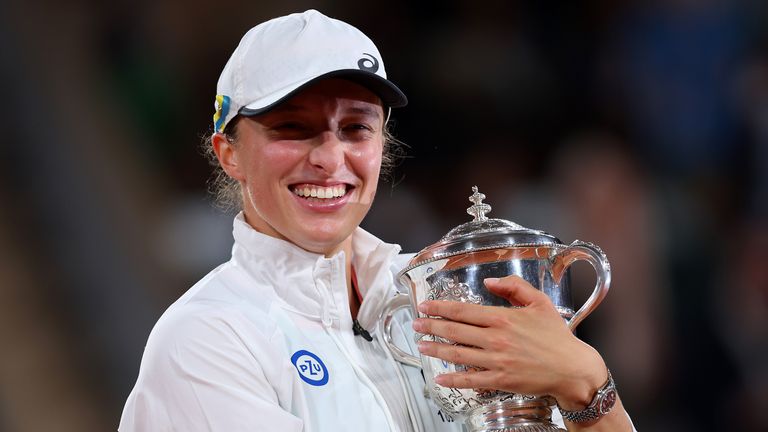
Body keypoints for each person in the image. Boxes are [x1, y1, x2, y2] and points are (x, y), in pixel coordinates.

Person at [119, 10, 637, 432]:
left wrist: (584, 382)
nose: (329, 157)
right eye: (293, 128)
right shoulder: (208, 339)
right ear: (229, 153)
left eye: (354, 128)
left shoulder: (438, 295)